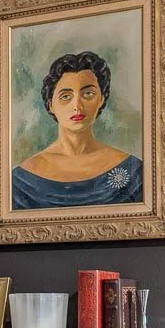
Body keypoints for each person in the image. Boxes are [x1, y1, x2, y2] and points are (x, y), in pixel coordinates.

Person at [12, 50, 142, 209]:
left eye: (88, 94)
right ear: (51, 104)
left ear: (101, 99)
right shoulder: (21, 180)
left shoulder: (133, 170)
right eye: (66, 96)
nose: (77, 106)